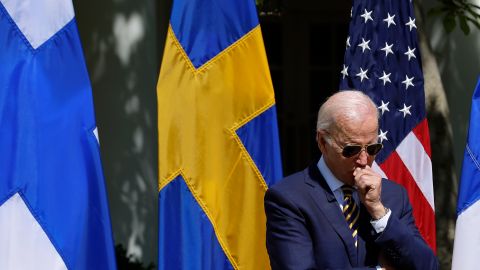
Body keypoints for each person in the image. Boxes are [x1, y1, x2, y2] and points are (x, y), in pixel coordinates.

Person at [264, 90, 439, 269]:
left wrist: (379, 213)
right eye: (351, 150)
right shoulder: (288, 198)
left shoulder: (393, 196)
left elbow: (427, 266)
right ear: (323, 142)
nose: (364, 160)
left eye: (372, 148)